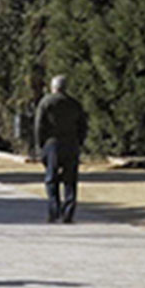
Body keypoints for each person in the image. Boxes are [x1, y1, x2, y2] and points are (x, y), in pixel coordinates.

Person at [33, 75, 88, 224]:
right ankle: (68, 212)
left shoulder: (46, 102)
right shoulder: (74, 104)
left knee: (51, 179)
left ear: (53, 87)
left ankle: (54, 211)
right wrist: (79, 142)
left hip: (52, 143)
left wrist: (40, 146)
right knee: (70, 180)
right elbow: (83, 125)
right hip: (71, 143)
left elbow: (39, 125)